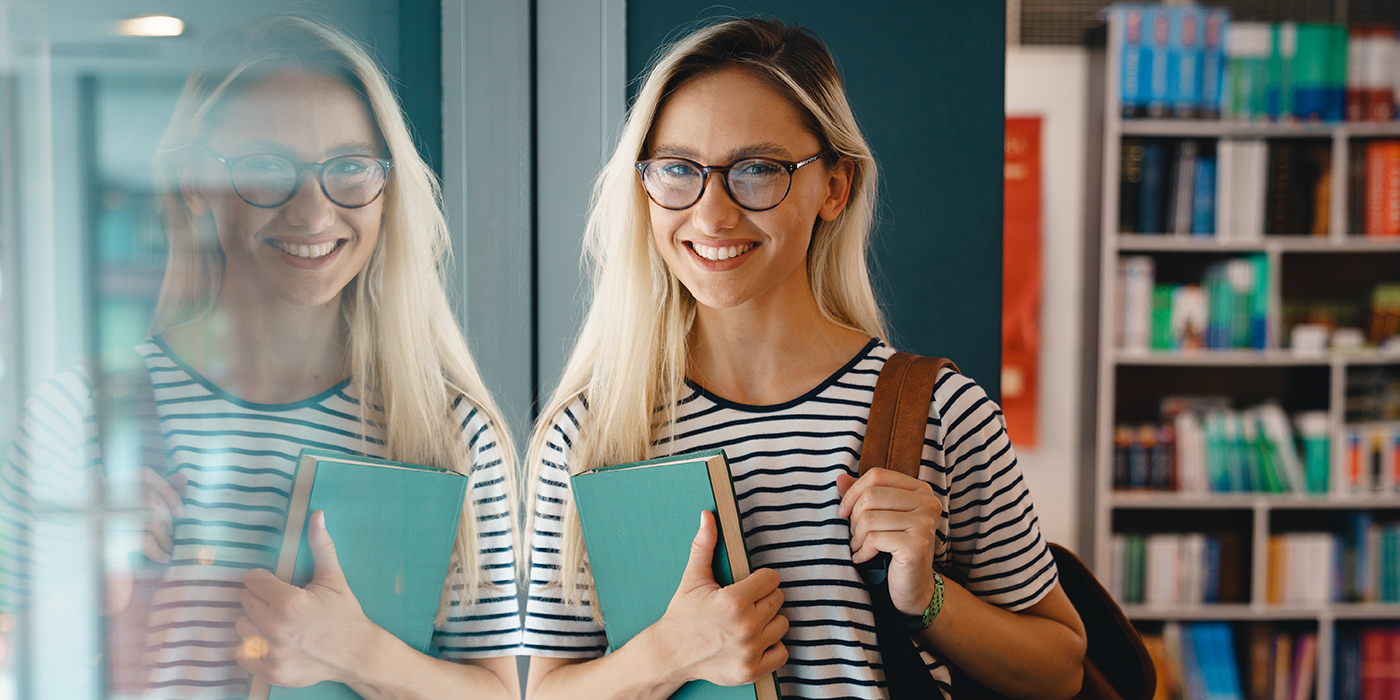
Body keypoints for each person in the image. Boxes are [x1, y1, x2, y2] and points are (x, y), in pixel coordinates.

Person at [521, 17, 1087, 700]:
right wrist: (666, 655)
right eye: (678, 171)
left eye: (757, 170)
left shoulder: (939, 410)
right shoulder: (589, 434)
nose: (711, 215)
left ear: (835, 187)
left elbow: (1061, 669)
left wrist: (928, 598)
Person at [0, 15, 521, 700]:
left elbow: (503, 690)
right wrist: (89, 579)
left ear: (387, 186)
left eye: (351, 169)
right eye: (265, 169)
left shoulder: (447, 433)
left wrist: (358, 654)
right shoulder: (81, 416)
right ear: (194, 183)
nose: (313, 212)